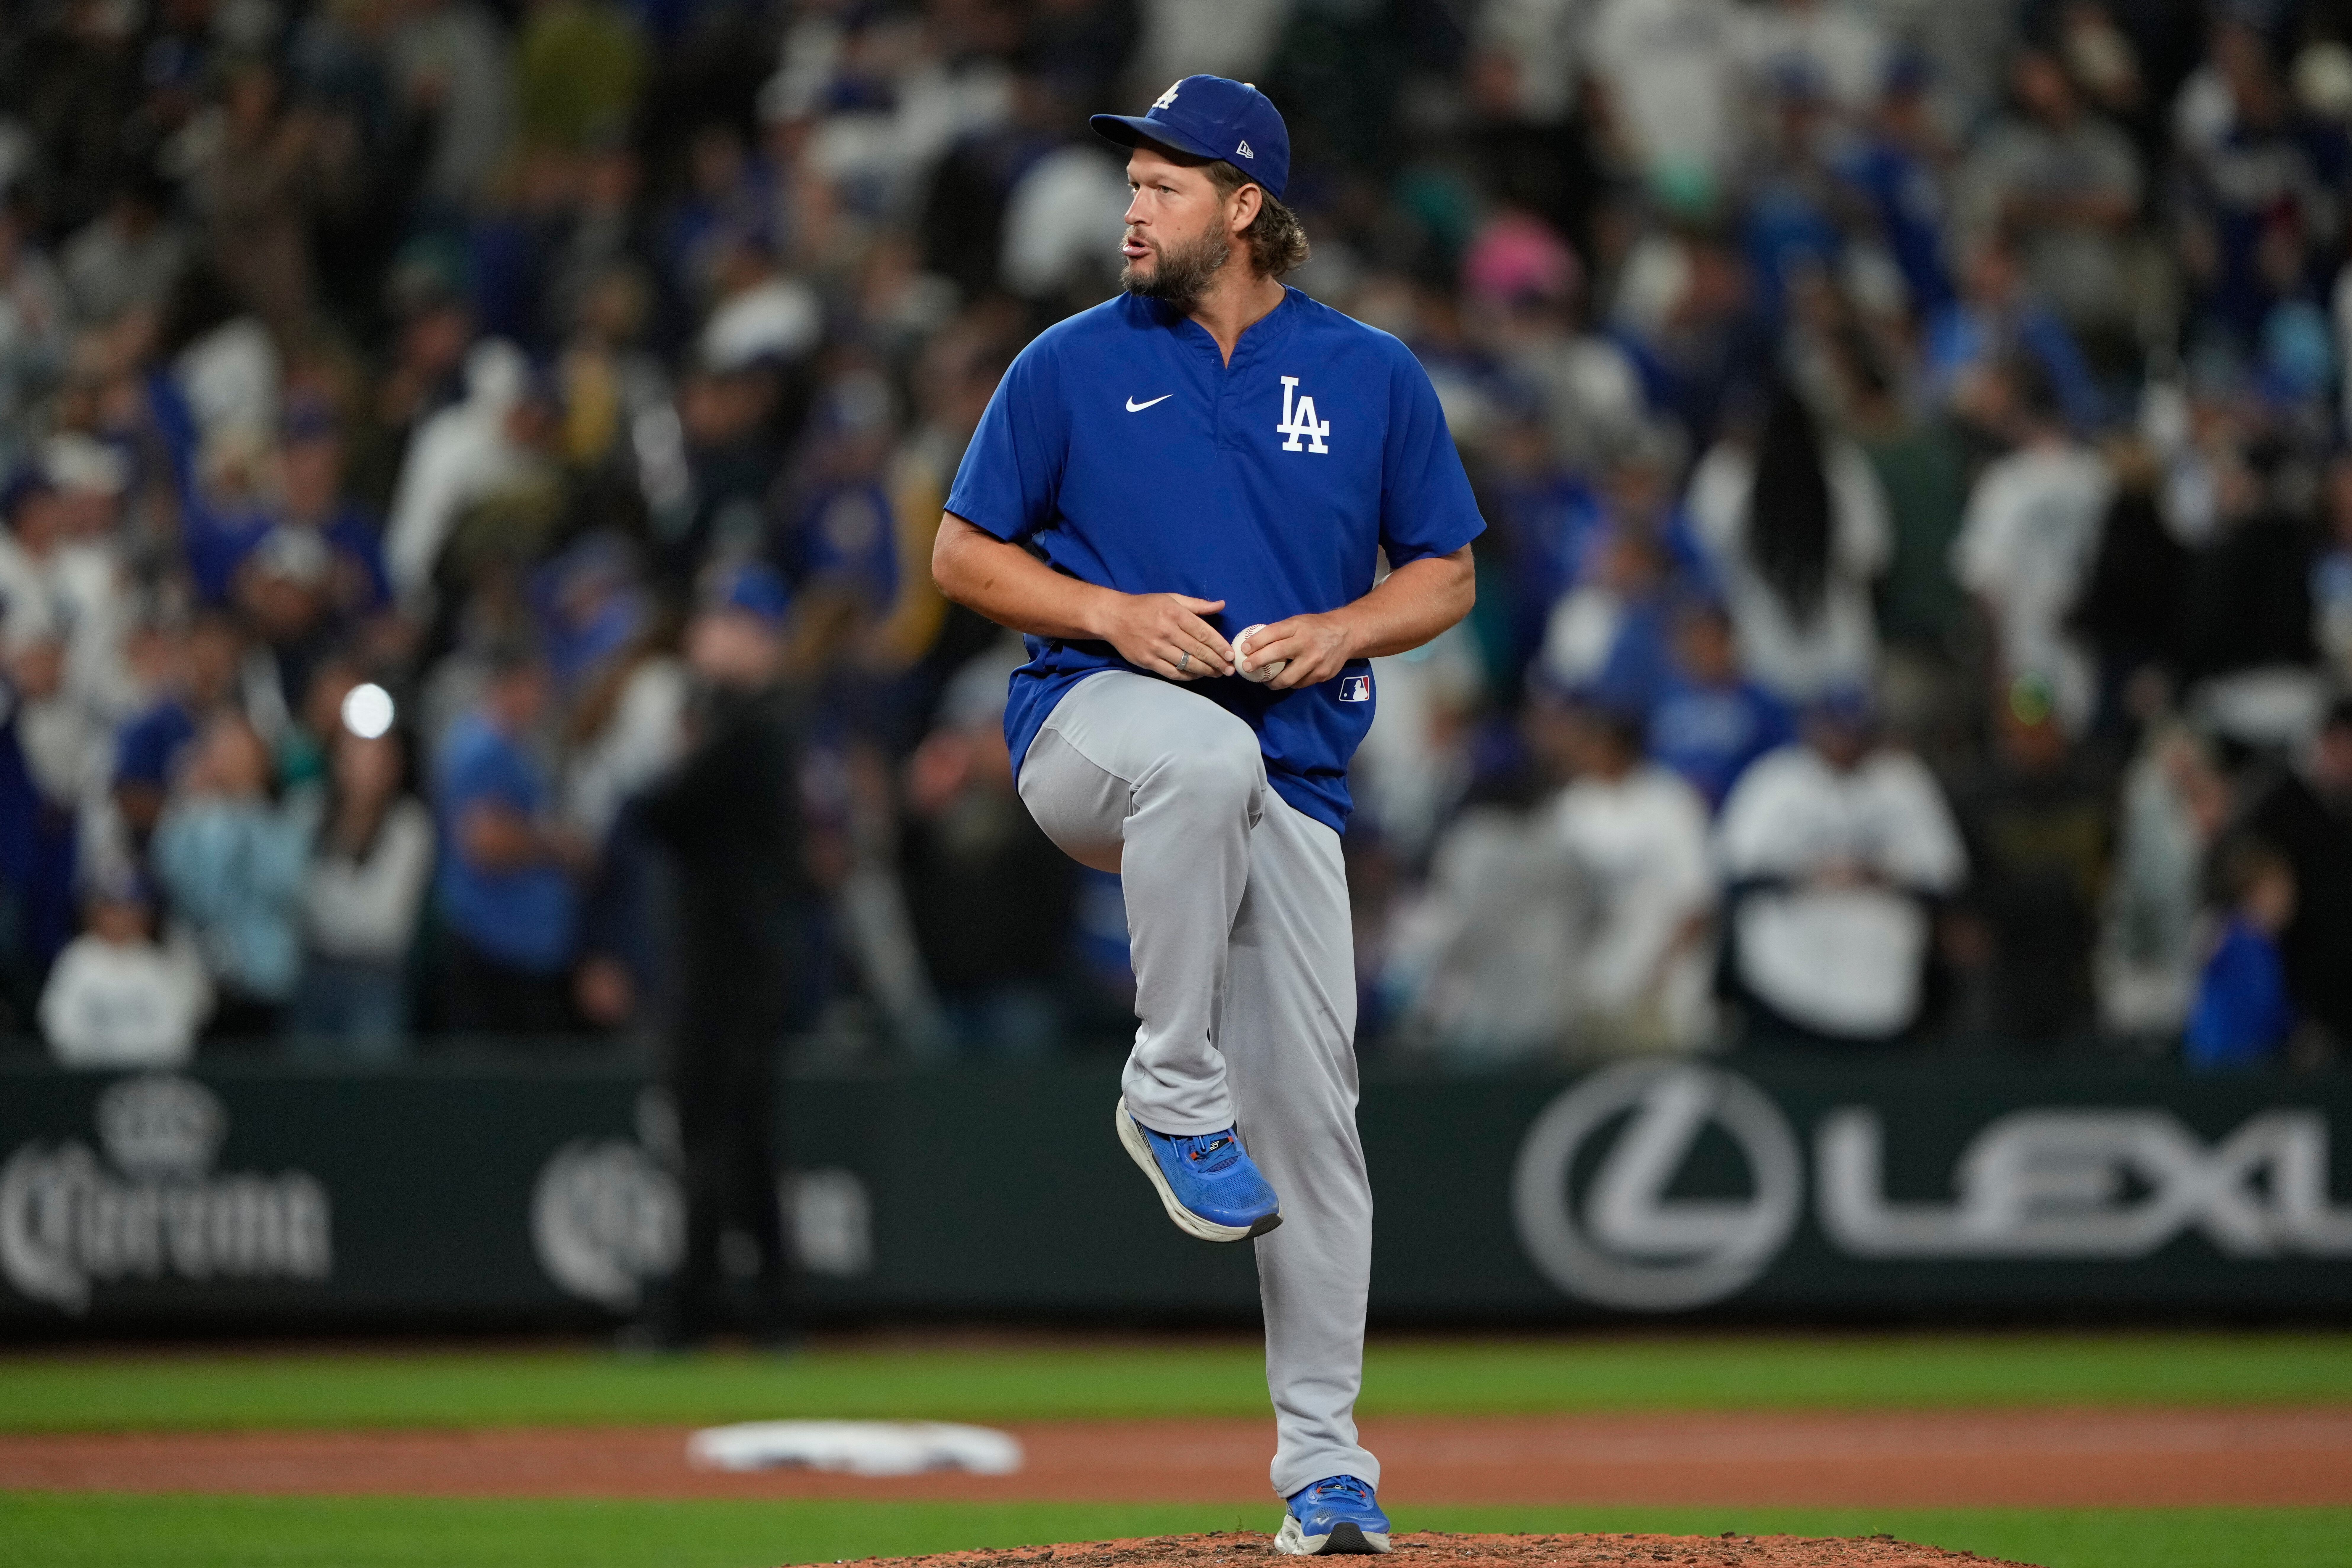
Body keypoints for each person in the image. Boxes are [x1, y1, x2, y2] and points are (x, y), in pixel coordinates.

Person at [930, 76, 1483, 1554]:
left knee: (1312, 1127)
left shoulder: (1366, 375)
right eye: (1131, 180)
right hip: (1091, 739)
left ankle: (1324, 1472)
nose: (1131, 203)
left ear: (1245, 207)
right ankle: (1167, 1082)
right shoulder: (1064, 365)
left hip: (1290, 775)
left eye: (1164, 183)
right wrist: (1106, 610)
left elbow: (1444, 573)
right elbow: (959, 555)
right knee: (1194, 760)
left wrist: (1342, 632)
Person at [632, 562, 809, 1345]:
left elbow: (656, 809)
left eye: (723, 623)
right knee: (736, 1142)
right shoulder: (741, 719)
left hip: (732, 964)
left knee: (719, 1139)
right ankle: (764, 1310)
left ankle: (697, 1312)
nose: (705, 635)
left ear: (755, 637)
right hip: (734, 956)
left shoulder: (753, 724)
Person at [1715, 690, 1967, 1045]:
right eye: (1836, 729)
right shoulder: (1775, 781)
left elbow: (1945, 875)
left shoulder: (1903, 781)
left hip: (1883, 980)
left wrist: (1877, 876)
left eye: (1855, 730)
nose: (1845, 741)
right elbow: (1734, 873)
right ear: (1812, 727)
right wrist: (1809, 875)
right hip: (1787, 977)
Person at [432, 640, 581, 1035]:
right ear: (509, 685)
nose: (543, 698)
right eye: (535, 686)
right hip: (492, 946)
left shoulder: (518, 746)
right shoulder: (481, 748)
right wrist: (557, 846)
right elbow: (483, 840)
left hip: (524, 948)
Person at [293, 695, 435, 1057]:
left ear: (395, 764)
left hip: (377, 977)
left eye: (377, 756)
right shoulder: (306, 811)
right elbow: (290, 898)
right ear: (337, 759)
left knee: (371, 1091)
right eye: (355, 752)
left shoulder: (410, 827)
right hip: (313, 972)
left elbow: (385, 924)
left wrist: (324, 903)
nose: (365, 766)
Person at [38, 874, 213, 1068]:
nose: (121, 918)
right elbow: (58, 1026)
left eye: (131, 909)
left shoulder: (157, 962)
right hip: (83, 1077)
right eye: (112, 909)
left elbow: (176, 1033)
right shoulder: (77, 959)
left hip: (148, 1079)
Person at [2185, 837, 2297, 1071]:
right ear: (2253, 892)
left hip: (2248, 1065)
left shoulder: (2264, 947)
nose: (2288, 898)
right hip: (2224, 1070)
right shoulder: (2233, 939)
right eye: (2279, 889)